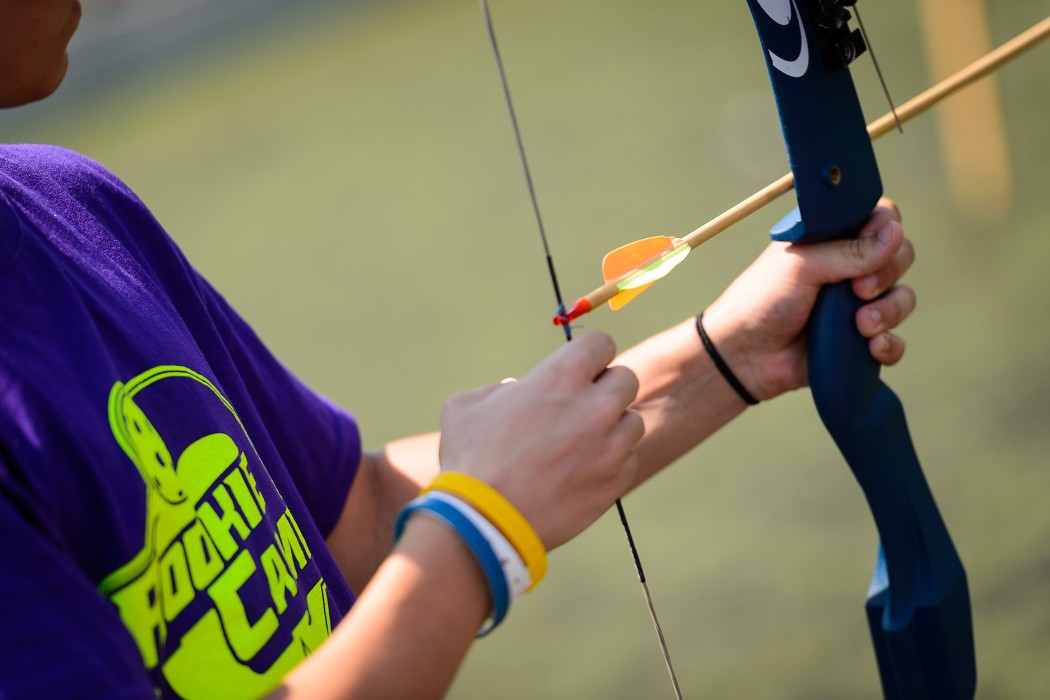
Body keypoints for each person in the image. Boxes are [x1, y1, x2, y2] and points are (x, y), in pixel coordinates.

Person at [0, 1, 917, 698]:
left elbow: (349, 522)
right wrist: (480, 528)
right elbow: (458, 517)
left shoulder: (70, 204)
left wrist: (728, 356)